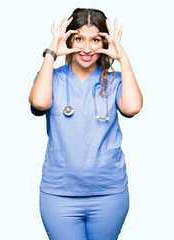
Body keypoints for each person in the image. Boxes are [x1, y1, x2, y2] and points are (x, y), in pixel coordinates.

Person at [29, 8, 143, 240]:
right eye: (79, 39)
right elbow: (39, 102)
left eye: (95, 40)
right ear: (69, 40)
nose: (87, 48)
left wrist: (122, 57)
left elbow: (132, 107)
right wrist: (52, 52)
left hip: (109, 194)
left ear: (105, 42)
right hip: (60, 195)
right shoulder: (51, 77)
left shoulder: (116, 81)